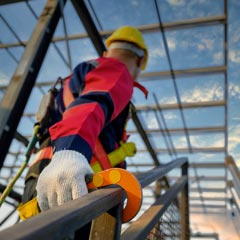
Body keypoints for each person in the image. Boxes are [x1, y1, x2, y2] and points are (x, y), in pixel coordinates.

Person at [21, 25, 148, 235]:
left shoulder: (81, 73)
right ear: (140, 61)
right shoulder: (117, 71)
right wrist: (70, 151)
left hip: (44, 181)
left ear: (107, 51)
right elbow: (92, 104)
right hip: (75, 184)